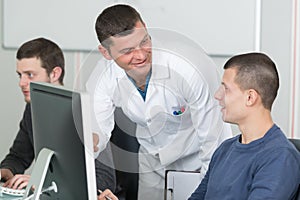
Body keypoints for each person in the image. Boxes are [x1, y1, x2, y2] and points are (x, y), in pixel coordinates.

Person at [87, 4, 232, 200]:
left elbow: (214, 140)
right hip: (151, 161)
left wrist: (207, 190)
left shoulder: (189, 66)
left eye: (144, 41)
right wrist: (90, 143)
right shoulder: (102, 76)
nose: (140, 55)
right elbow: (97, 133)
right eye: (127, 51)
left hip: (196, 162)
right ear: (106, 53)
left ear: (145, 27)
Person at [0, 38, 116, 194]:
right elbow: (18, 156)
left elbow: (105, 179)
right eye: (20, 75)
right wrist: (5, 171)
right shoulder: (32, 108)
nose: (22, 82)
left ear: (55, 73)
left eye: (29, 75)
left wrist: (41, 181)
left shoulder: (82, 113)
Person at [189, 52, 300, 200]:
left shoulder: (280, 158)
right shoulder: (224, 150)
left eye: (226, 89)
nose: (217, 95)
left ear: (250, 98)